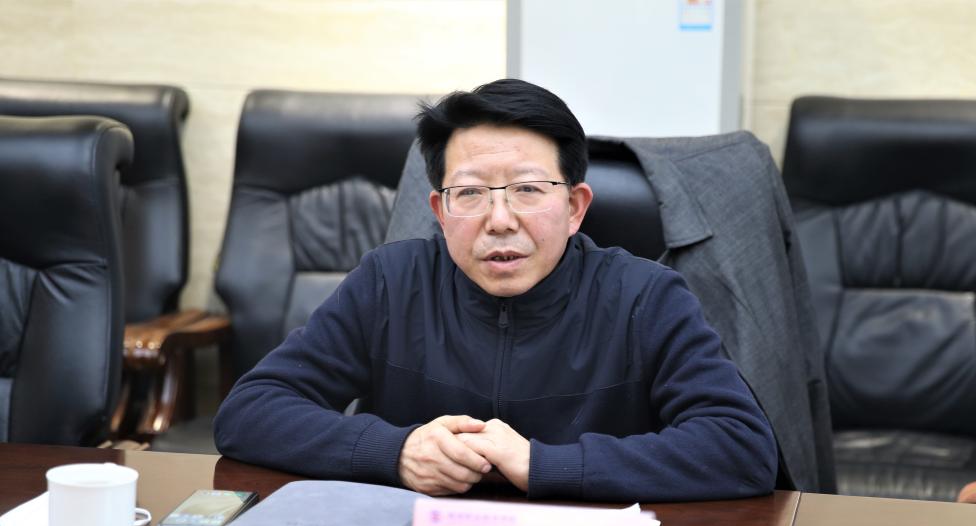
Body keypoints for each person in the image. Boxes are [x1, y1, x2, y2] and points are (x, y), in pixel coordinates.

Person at [213, 78, 777, 502]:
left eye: (528, 189)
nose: (500, 220)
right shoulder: (390, 282)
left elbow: (741, 447)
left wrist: (544, 465)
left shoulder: (645, 297)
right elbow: (250, 411)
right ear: (440, 210)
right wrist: (395, 452)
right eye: (471, 193)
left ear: (575, 207)